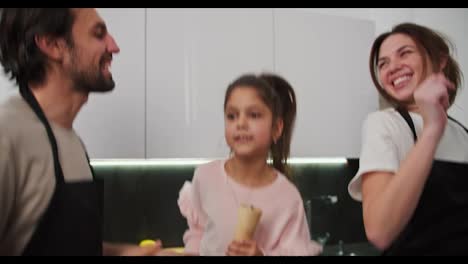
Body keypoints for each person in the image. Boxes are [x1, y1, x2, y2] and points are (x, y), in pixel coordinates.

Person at [0, 8, 161, 256]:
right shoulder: (7, 134)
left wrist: (123, 253)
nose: (114, 46)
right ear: (52, 45)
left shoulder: (71, 140)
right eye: (99, 35)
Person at [348, 22, 468, 255]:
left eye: (405, 53)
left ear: (440, 60)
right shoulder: (385, 124)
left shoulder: (463, 133)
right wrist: (433, 128)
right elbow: (379, 231)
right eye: (383, 64)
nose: (392, 67)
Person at [175, 73, 322, 256]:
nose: (241, 123)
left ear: (276, 128)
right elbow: (198, 232)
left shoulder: (287, 197)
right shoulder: (205, 177)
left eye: (253, 115)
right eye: (232, 116)